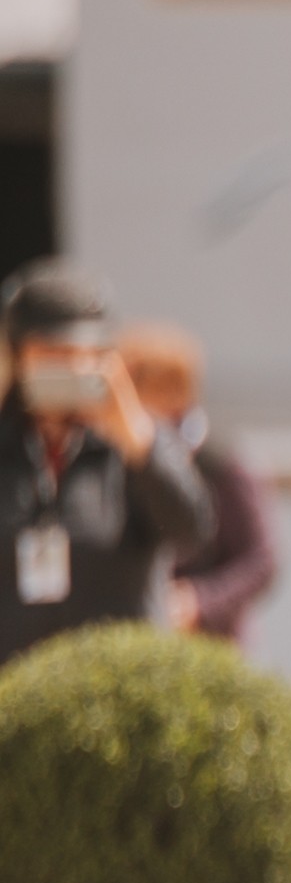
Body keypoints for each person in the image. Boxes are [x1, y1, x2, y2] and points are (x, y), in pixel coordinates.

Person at [0, 262, 210, 666]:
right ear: (19, 357)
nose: (68, 367)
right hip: (15, 696)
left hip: (117, 695)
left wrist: (139, 445)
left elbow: (192, 530)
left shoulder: (135, 444)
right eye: (51, 353)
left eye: (82, 355)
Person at [116, 324, 279, 645]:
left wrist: (200, 602)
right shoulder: (119, 459)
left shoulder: (221, 463)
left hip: (211, 644)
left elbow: (261, 560)